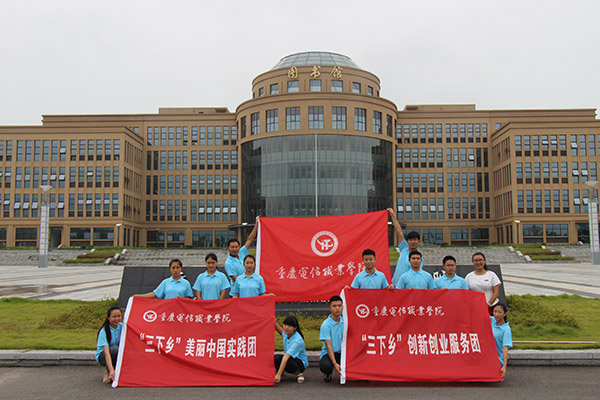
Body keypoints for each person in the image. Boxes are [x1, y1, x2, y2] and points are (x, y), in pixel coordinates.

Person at [388, 208, 423, 287]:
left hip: (408, 287)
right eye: (410, 240)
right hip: (396, 285)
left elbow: (416, 274)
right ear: (407, 241)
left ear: (419, 241)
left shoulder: (419, 257)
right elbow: (399, 231)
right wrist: (393, 216)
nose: (413, 242)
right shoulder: (404, 248)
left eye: (415, 240)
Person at [274, 315, 308, 384]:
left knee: (286, 360)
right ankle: (282, 372)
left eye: (289, 326)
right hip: (290, 358)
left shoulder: (297, 341)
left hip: (299, 363)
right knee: (275, 358)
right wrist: (274, 322)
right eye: (285, 325)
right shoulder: (287, 333)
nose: (286, 327)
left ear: (295, 328)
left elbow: (286, 357)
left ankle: (299, 373)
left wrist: (278, 375)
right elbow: (280, 331)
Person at [225, 219, 259, 285]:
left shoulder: (241, 252)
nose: (235, 249)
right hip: (239, 288)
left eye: (236, 247)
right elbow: (236, 279)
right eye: (232, 247)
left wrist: (257, 224)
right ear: (228, 248)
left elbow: (250, 239)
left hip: (250, 285)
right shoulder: (228, 263)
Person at [319, 295, 344, 383]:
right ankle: (328, 373)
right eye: (334, 306)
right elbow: (328, 345)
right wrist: (334, 363)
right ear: (330, 308)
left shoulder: (346, 322)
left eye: (339, 306)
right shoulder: (326, 325)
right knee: (325, 366)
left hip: (343, 353)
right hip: (329, 353)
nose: (337, 308)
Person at [95, 306, 122, 384]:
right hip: (103, 356)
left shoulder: (122, 327)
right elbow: (106, 353)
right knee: (114, 349)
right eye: (114, 317)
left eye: (119, 316)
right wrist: (111, 369)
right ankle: (107, 372)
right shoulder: (104, 331)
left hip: (117, 353)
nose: (117, 319)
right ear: (108, 318)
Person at [491, 303, 512, 378]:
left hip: (497, 358)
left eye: (499, 312)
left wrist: (504, 366)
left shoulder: (506, 330)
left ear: (504, 314)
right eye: (495, 311)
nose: (496, 314)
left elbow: (505, 348)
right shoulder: (492, 320)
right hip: (488, 355)